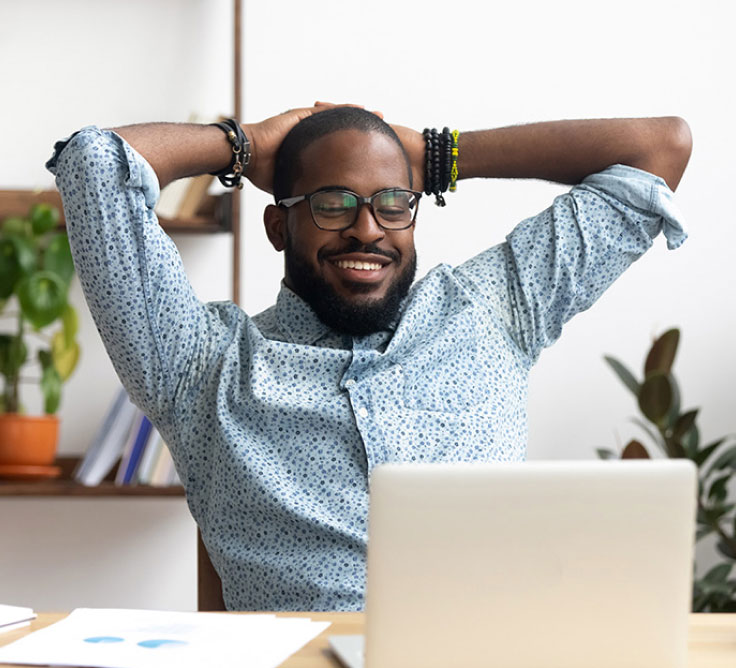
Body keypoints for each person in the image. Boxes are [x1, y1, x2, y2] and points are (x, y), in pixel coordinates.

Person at [46, 104, 692, 611]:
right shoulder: (198, 365)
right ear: (278, 227)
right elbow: (96, 164)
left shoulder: (494, 309)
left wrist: (433, 155)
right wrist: (246, 147)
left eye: (393, 203)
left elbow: (658, 148)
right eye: (332, 204)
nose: (368, 228)